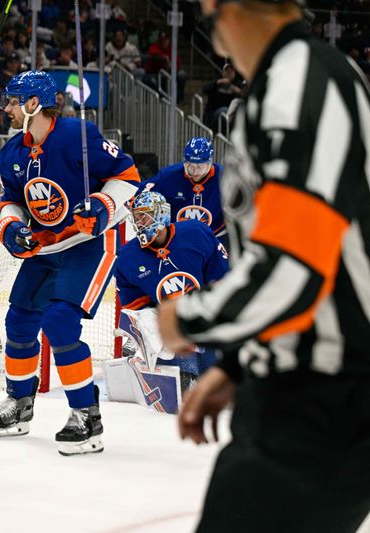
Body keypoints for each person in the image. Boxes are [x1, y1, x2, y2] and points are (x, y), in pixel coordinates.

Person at [157, 1, 370, 531]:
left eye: (208, 18)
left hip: (325, 398)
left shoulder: (301, 87)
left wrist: (186, 319)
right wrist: (236, 366)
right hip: (298, 389)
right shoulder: (287, 86)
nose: (215, 38)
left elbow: (294, 267)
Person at [0, 71, 140, 455]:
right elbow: (11, 199)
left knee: (59, 322)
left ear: (34, 103)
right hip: (46, 248)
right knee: (18, 321)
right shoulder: (11, 153)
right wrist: (10, 225)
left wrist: (101, 207)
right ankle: (20, 403)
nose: (7, 108)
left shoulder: (77, 136)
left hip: (90, 245)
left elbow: (128, 177)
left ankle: (87, 416)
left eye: (14, 101)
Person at [114, 191, 229, 391]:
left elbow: (222, 279)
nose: (139, 222)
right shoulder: (127, 257)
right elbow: (137, 307)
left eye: (144, 215)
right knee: (183, 386)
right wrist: (155, 329)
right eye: (136, 216)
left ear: (161, 214)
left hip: (208, 316)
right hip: (170, 325)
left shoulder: (195, 233)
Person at [140, 137, 226, 245]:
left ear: (210, 163)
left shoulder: (225, 177)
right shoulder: (169, 176)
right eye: (190, 166)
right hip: (177, 240)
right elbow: (141, 191)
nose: (194, 172)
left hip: (215, 239)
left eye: (200, 167)